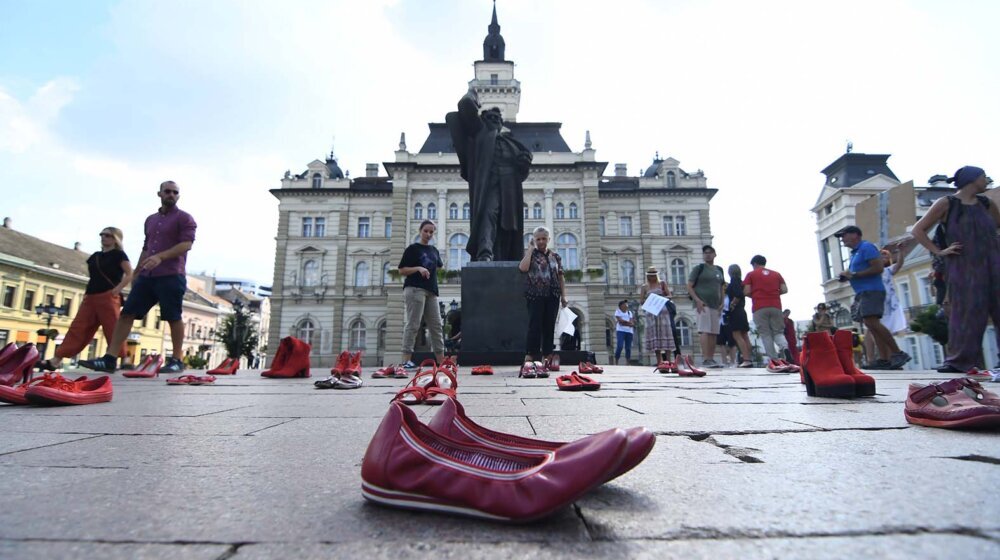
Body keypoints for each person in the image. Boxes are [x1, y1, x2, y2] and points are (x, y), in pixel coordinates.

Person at [80, 182, 196, 374]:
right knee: (127, 314)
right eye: (167, 191)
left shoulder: (185, 219)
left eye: (175, 193)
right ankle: (110, 358)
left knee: (172, 316)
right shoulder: (150, 220)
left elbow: (186, 245)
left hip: (171, 275)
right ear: (159, 194)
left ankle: (177, 359)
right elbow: (146, 247)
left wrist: (160, 257)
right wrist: (136, 273)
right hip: (147, 276)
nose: (171, 195)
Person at [911, 166, 1000, 372]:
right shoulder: (947, 204)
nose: (986, 181)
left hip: (993, 262)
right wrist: (939, 251)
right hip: (963, 265)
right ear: (972, 179)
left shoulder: (987, 203)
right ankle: (961, 361)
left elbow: (997, 226)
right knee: (967, 311)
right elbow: (918, 230)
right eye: (983, 177)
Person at [37, 227, 133, 371]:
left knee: (113, 327)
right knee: (78, 327)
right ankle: (56, 360)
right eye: (102, 234)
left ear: (115, 239)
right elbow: (94, 277)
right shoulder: (95, 257)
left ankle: (124, 359)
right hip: (91, 296)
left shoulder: (119, 255)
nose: (103, 237)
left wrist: (118, 289)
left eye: (108, 235)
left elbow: (130, 273)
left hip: (108, 295)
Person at [835, 225, 910, 370]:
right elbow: (859, 271)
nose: (842, 239)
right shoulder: (855, 253)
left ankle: (898, 353)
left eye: (843, 236)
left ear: (855, 235)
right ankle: (884, 359)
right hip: (864, 292)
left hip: (872, 291)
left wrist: (854, 275)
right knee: (870, 324)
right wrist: (847, 276)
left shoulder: (866, 247)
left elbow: (878, 268)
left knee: (872, 322)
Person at [398, 220, 446, 369]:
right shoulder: (412, 249)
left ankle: (441, 362)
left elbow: (438, 267)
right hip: (414, 289)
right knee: (413, 324)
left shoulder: (434, 251)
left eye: (431, 232)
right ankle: (406, 361)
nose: (428, 234)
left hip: (431, 291)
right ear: (420, 231)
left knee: (436, 325)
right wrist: (418, 268)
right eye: (426, 231)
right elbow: (402, 270)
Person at [518, 227, 567, 369]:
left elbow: (561, 277)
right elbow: (523, 268)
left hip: (553, 295)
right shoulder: (531, 255)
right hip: (535, 295)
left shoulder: (555, 256)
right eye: (538, 239)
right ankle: (530, 355)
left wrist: (564, 296)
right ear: (534, 240)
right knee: (534, 326)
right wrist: (529, 250)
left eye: (543, 238)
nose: (541, 241)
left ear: (548, 239)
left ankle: (547, 355)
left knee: (549, 326)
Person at [743, 255, 788, 363]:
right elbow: (784, 289)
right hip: (776, 305)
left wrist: (757, 295)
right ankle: (784, 348)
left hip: (759, 307)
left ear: (754, 264)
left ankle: (774, 359)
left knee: (766, 333)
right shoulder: (776, 274)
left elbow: (746, 291)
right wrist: (773, 294)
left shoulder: (751, 274)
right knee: (778, 332)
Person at [687, 245, 726, 368]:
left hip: (715, 305)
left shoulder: (719, 270)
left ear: (715, 254)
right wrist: (697, 300)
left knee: (714, 332)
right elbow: (689, 285)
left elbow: (721, 286)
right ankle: (705, 359)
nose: (707, 254)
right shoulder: (699, 268)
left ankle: (711, 358)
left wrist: (722, 302)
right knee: (704, 330)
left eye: (710, 252)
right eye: (705, 253)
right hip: (702, 304)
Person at [640, 267, 675, 365]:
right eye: (650, 275)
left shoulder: (662, 284)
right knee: (655, 335)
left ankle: (668, 360)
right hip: (651, 313)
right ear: (647, 276)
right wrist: (649, 301)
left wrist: (661, 298)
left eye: (654, 275)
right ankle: (659, 361)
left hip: (663, 311)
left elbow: (670, 295)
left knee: (666, 333)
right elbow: (641, 301)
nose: (652, 277)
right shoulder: (644, 287)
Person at [725, 264, 753, 368]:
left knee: (737, 335)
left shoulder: (734, 281)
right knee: (745, 336)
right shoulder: (741, 282)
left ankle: (746, 359)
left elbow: (738, 294)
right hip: (742, 311)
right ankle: (748, 358)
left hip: (736, 311)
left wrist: (732, 305)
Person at [613, 300, 635, 365]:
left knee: (628, 347)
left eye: (626, 304)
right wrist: (628, 323)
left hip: (629, 332)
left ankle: (628, 362)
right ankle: (616, 360)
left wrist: (626, 323)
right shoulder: (618, 312)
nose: (626, 305)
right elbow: (620, 321)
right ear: (621, 306)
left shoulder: (629, 312)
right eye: (625, 304)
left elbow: (631, 321)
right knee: (620, 346)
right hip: (620, 331)